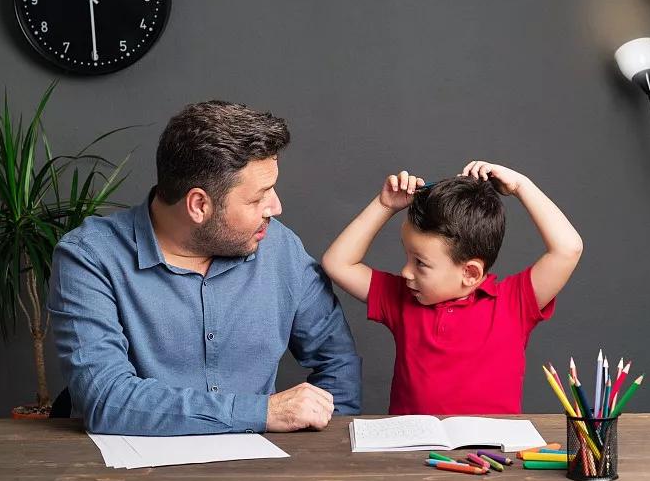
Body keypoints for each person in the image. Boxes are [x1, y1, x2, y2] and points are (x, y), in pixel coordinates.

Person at [49, 101, 361, 435]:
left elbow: (338, 363)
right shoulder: (90, 257)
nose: (276, 207)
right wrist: (261, 413)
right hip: (125, 475)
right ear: (199, 205)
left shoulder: (281, 249)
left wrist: (319, 445)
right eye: (258, 198)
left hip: (257, 473)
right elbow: (107, 399)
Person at [321, 160, 582, 414]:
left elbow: (568, 249)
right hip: (412, 452)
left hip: (490, 455)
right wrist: (383, 205)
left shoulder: (514, 303)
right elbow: (337, 263)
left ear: (470, 273)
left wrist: (521, 186)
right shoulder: (402, 298)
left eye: (420, 263)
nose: (405, 271)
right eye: (408, 257)